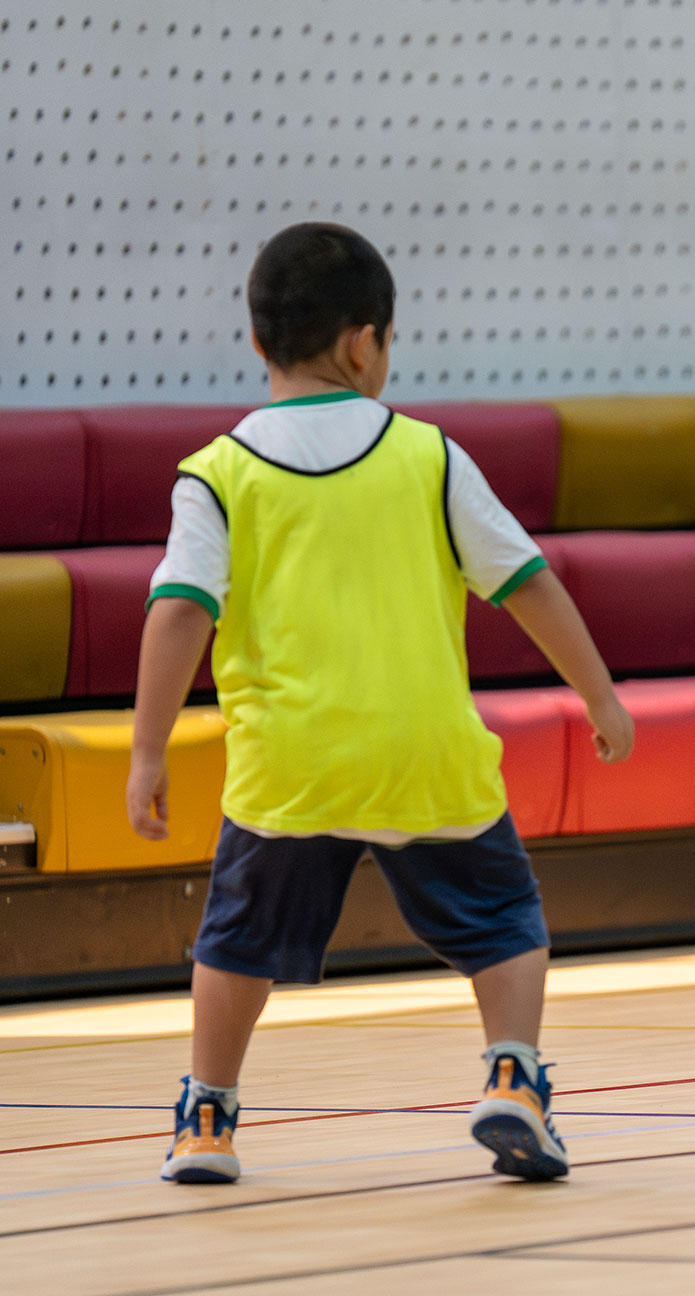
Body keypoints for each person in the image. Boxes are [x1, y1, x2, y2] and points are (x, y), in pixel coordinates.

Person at [128, 222, 636, 1184]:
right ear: (366, 344)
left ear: (257, 343)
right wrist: (598, 694)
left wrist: (148, 751)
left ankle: (208, 1116)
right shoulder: (428, 456)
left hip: (291, 765)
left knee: (235, 942)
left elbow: (176, 614)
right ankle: (514, 1076)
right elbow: (527, 579)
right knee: (507, 922)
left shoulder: (218, 475)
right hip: (423, 756)